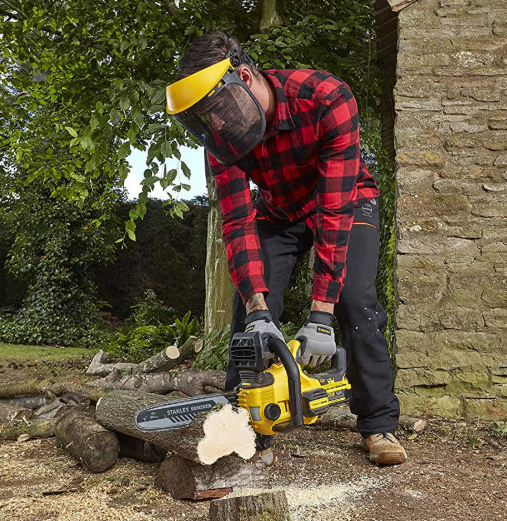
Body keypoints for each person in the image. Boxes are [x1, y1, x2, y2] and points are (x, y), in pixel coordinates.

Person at [165, 32, 406, 466]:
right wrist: (258, 311)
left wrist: (320, 316)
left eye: (217, 109)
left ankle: (378, 424)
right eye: (204, 118)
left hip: (347, 199)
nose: (215, 123)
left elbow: (334, 212)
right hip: (279, 208)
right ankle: (246, 424)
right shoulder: (223, 140)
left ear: (243, 78)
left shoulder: (326, 98)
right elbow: (238, 222)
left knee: (354, 298)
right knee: (251, 311)